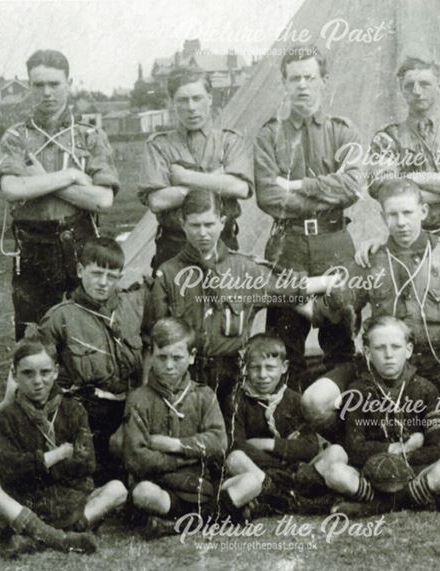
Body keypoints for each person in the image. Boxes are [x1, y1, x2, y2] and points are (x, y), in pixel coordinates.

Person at [145, 189, 340, 409]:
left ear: (222, 222)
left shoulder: (244, 269)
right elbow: (153, 342)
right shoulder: (168, 274)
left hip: (233, 378)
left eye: (209, 225)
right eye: (195, 225)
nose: (203, 233)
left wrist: (332, 281)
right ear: (182, 224)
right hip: (184, 379)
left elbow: (292, 288)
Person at [254, 44, 364, 378]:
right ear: (284, 84)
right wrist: (330, 192)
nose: (302, 85)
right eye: (294, 78)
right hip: (288, 247)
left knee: (341, 342)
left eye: (310, 77)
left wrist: (300, 186)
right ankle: (289, 425)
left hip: (334, 242)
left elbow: (354, 186)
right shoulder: (269, 135)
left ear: (323, 81)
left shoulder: (342, 131)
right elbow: (270, 197)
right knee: (283, 346)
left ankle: (340, 422)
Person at [0, 49, 119, 340]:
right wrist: (72, 175)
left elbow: (102, 199)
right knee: (35, 336)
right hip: (33, 246)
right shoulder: (16, 137)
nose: (47, 93)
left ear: (69, 83)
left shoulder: (89, 136)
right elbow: (12, 189)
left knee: (87, 331)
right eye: (39, 85)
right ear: (29, 87)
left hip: (80, 241)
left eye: (55, 84)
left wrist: (40, 181)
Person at [0, 336, 127, 556]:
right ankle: (61, 538)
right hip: (25, 501)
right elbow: (10, 470)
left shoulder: (73, 410)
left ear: (55, 372)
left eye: (45, 373)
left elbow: (87, 464)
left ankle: (35, 539)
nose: (38, 381)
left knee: (118, 490)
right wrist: (55, 456)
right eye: (28, 373)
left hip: (68, 501)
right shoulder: (6, 418)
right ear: (14, 374)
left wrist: (37, 466)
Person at [314, 177, 440, 393]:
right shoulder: (372, 260)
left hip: (436, 367)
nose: (401, 222)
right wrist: (291, 291)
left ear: (423, 211)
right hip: (384, 371)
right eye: (393, 215)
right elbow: (332, 308)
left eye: (408, 213)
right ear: (383, 217)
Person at [323, 317, 440, 518]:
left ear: (409, 350)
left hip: (414, 472)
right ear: (368, 353)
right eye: (380, 348)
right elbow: (354, 448)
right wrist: (403, 448)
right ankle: (411, 500)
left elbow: (437, 448)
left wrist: (403, 457)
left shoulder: (426, 389)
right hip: (372, 475)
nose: (389, 355)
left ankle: (376, 506)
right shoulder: (357, 390)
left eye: (396, 347)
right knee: (335, 473)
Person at [38, 237, 144, 484]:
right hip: (87, 413)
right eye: (96, 274)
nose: (103, 283)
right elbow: (36, 367)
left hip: (130, 407)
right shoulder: (60, 317)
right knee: (95, 480)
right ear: (79, 270)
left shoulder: (131, 305)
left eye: (112, 276)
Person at [138, 66, 253, 270]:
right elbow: (156, 201)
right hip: (173, 249)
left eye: (197, 98)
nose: (191, 107)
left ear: (210, 98)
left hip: (223, 246)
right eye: (183, 100)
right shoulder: (158, 146)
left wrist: (184, 178)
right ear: (171, 102)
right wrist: (216, 181)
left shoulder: (229, 141)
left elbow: (240, 188)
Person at [220, 333, 347, 517]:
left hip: (295, 474)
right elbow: (237, 444)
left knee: (336, 452)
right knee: (236, 458)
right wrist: (282, 458)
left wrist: (267, 444)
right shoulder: (236, 401)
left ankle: (276, 500)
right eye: (255, 368)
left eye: (270, 367)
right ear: (245, 368)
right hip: (262, 473)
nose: (263, 375)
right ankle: (289, 499)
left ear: (284, 367)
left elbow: (310, 447)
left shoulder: (295, 400)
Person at [365, 56, 440, 249]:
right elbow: (387, 192)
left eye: (425, 84)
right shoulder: (387, 138)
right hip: (410, 239)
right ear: (402, 90)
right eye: (409, 85)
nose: (417, 91)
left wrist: (414, 178)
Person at [123, 318, 227, 537]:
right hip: (159, 486)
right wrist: (188, 457)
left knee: (249, 482)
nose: (169, 365)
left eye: (177, 357)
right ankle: (208, 518)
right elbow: (137, 457)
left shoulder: (204, 395)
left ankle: (174, 524)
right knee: (143, 493)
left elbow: (219, 442)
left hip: (197, 486)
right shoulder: (139, 399)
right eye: (162, 357)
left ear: (192, 357)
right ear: (151, 355)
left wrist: (176, 445)